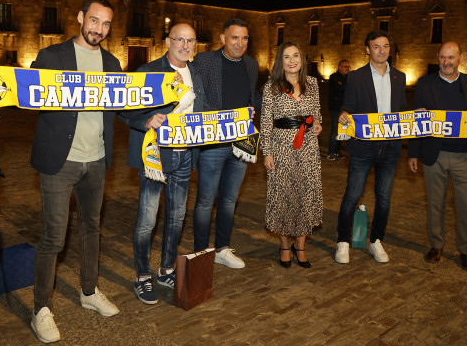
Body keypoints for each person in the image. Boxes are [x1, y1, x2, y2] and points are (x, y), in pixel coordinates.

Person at [0, 0, 120, 343]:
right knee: (54, 236)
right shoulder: (52, 56)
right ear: (80, 18)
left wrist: (154, 115)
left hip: (97, 160)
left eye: (105, 24)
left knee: (91, 228)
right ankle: (41, 308)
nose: (98, 29)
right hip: (60, 161)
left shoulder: (113, 64)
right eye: (94, 21)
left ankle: (89, 291)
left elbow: (126, 104)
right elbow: (26, 91)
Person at [120, 23, 205, 304]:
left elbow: (205, 114)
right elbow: (123, 110)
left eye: (190, 40)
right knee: (147, 219)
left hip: (185, 156)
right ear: (167, 41)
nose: (185, 45)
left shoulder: (197, 75)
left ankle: (166, 268)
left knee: (177, 216)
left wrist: (238, 119)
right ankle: (142, 276)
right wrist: (145, 121)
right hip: (155, 156)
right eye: (179, 39)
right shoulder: (147, 72)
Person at [407, 41, 467, 271]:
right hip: (433, 154)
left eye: (450, 58)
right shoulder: (425, 83)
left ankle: (466, 250)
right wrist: (413, 153)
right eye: (441, 58)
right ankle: (436, 245)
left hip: (462, 156)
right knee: (435, 204)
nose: (446, 62)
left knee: (465, 205)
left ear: (461, 58)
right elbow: (416, 121)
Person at [192, 18, 262, 269]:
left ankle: (222, 248)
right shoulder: (205, 61)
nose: (240, 43)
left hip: (243, 141)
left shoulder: (252, 64)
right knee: (205, 200)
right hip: (214, 143)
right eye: (235, 37)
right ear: (223, 38)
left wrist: (257, 107)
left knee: (229, 199)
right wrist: (224, 119)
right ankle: (201, 251)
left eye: (244, 38)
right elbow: (197, 96)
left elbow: (251, 96)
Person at [334, 30, 407, 265]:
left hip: (391, 148)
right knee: (352, 195)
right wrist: (345, 115)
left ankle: (376, 241)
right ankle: (343, 241)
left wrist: (415, 117)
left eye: (385, 46)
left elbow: (402, 110)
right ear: (367, 50)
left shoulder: (400, 76)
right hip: (363, 147)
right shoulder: (355, 77)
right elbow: (348, 106)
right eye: (376, 47)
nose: (382, 50)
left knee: (384, 198)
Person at [261, 42, 323, 268]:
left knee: (306, 194)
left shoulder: (313, 84)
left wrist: (317, 124)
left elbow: (317, 115)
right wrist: (266, 152)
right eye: (286, 56)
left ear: (301, 59)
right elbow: (266, 121)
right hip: (281, 147)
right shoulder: (272, 87)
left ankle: (301, 245)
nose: (292, 60)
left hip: (307, 147)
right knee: (284, 195)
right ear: (281, 61)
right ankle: (285, 245)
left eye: (295, 55)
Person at [327, 59, 350, 160]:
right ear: (339, 67)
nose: (348, 69)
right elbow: (340, 88)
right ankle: (331, 152)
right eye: (345, 67)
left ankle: (337, 152)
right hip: (336, 108)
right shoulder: (334, 77)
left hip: (345, 108)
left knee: (342, 130)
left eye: (349, 67)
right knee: (335, 130)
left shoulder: (348, 77)